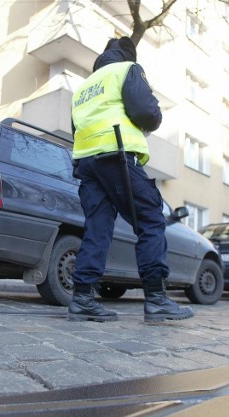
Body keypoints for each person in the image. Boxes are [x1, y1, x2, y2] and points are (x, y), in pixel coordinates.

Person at [68, 36, 194, 323]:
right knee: (151, 219)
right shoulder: (127, 69)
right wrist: (152, 119)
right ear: (128, 54)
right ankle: (157, 299)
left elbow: (75, 127)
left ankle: (82, 298)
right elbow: (146, 112)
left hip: (87, 162)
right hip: (116, 155)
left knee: (97, 228)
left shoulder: (84, 88)